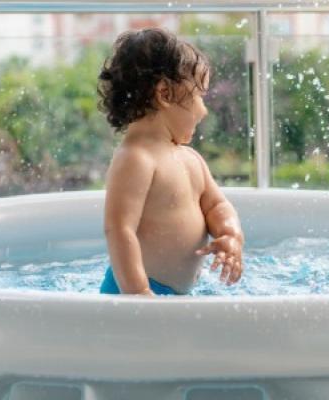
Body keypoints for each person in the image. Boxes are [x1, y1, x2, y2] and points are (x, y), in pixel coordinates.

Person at [97, 28, 244, 296]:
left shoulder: (191, 160)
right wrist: (139, 293)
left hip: (177, 296)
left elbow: (217, 205)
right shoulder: (136, 158)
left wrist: (230, 234)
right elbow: (120, 230)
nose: (204, 109)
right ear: (164, 93)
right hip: (136, 292)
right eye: (199, 95)